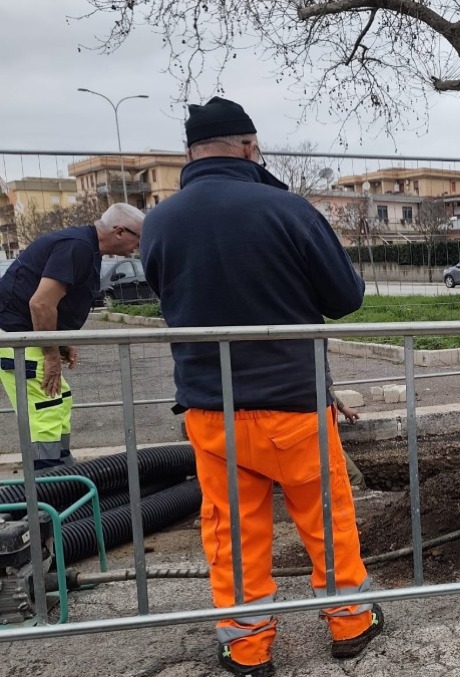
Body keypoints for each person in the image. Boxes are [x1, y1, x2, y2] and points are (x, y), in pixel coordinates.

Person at [141, 96, 382, 676]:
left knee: (230, 530)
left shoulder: (160, 220)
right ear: (250, 147)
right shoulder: (287, 209)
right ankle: (350, 623)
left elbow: (165, 292)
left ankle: (247, 647)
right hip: (291, 405)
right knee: (325, 519)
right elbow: (344, 298)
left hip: (210, 408)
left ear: (188, 154)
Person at [0, 203, 144, 470]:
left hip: (27, 335)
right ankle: (46, 494)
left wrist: (61, 341)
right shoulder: (77, 247)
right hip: (18, 335)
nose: (138, 247)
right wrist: (51, 354)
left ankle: (63, 477)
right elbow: (40, 304)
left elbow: (54, 302)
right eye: (139, 238)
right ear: (120, 231)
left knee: (58, 401)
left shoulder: (85, 247)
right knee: (45, 410)